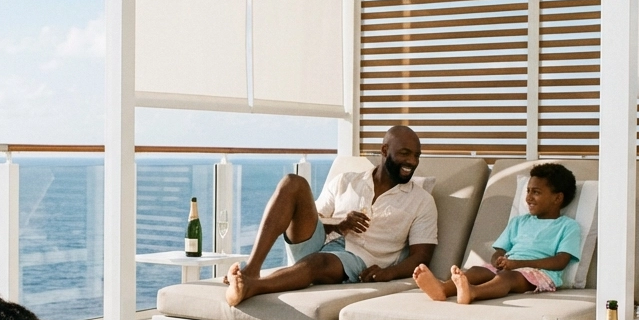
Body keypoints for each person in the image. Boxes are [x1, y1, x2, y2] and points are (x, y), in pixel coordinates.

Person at [226, 125, 437, 307]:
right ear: (384, 150)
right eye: (405, 153)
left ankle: (253, 287)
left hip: (359, 259)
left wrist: (389, 273)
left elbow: (421, 256)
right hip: (318, 241)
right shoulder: (346, 181)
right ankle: (252, 270)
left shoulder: (422, 201)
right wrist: (339, 225)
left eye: (416, 155)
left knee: (318, 262)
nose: (412, 161)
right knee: (293, 182)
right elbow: (311, 219)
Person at [414, 162, 581, 304]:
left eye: (536, 192)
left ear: (557, 198)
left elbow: (560, 261)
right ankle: (443, 288)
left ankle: (472, 292)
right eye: (528, 191)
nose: (529, 198)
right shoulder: (519, 221)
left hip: (539, 275)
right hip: (510, 267)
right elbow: (500, 250)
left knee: (508, 278)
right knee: (476, 270)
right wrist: (497, 260)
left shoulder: (567, 226)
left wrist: (517, 265)